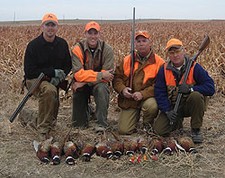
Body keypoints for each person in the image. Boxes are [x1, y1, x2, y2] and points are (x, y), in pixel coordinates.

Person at [153, 38, 215, 143]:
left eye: (177, 51)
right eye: (171, 53)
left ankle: (196, 129)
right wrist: (167, 111)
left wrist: (191, 89)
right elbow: (159, 92)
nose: (175, 55)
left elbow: (210, 88)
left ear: (183, 51)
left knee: (196, 96)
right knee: (159, 130)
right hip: (173, 107)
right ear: (168, 55)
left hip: (189, 105)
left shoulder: (194, 67)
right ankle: (177, 121)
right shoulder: (163, 69)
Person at [23, 13, 72, 141]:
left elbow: (68, 65)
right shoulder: (33, 46)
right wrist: (52, 73)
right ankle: (43, 130)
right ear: (42, 27)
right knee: (49, 91)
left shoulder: (62, 44)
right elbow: (29, 71)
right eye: (47, 25)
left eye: (53, 25)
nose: (50, 28)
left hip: (53, 80)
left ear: (57, 27)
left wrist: (60, 76)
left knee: (53, 97)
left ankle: (44, 122)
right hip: (34, 80)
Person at [112, 30, 165, 135]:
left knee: (151, 106)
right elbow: (117, 78)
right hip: (130, 100)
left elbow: (160, 86)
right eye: (138, 41)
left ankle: (147, 123)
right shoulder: (127, 60)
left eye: (144, 41)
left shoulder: (159, 62)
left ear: (150, 42)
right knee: (124, 130)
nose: (141, 44)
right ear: (135, 44)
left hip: (147, 98)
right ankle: (134, 120)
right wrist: (123, 89)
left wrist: (142, 94)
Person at [71, 21, 114, 132]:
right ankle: (86, 113)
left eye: (95, 33)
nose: (93, 36)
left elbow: (107, 77)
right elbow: (78, 74)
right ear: (85, 34)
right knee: (78, 126)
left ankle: (101, 124)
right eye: (90, 33)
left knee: (101, 89)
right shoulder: (77, 49)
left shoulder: (107, 49)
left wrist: (84, 81)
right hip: (83, 85)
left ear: (99, 34)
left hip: (97, 84)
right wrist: (100, 75)